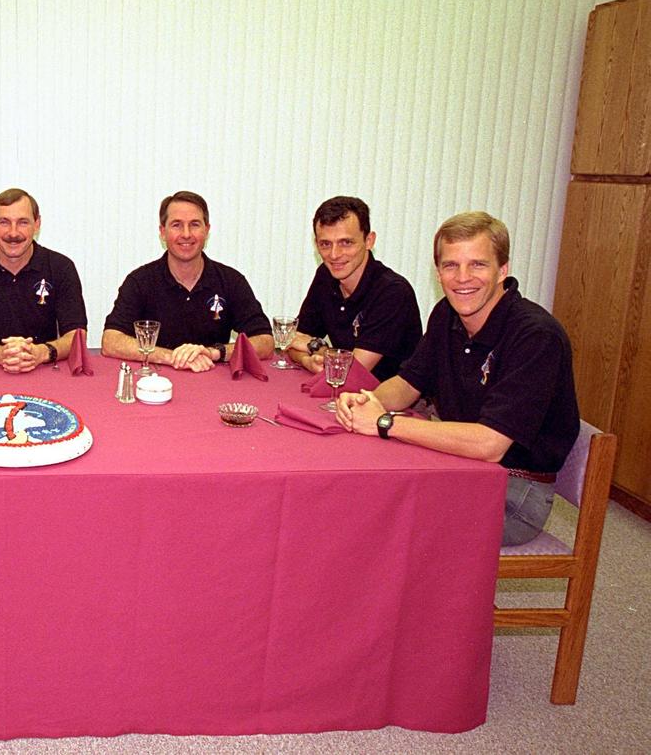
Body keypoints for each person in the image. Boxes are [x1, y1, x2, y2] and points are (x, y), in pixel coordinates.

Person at [335, 212, 580, 545]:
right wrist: (368, 399)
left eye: (477, 264)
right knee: (354, 492)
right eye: (451, 266)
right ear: (439, 273)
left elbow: (490, 445)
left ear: (502, 270)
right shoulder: (446, 313)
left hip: (515, 492)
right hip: (454, 465)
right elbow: (407, 384)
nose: (463, 278)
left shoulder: (536, 336)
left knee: (379, 519)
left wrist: (383, 423)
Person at [101, 191, 273, 371]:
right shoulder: (140, 281)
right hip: (155, 382)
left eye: (195, 225)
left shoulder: (231, 281)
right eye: (176, 225)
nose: (186, 234)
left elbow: (265, 342)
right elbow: (111, 341)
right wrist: (172, 356)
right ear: (162, 231)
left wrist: (213, 353)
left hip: (213, 380)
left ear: (206, 230)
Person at [0, 188, 87, 373]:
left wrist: (40, 353)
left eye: (23, 222)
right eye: (4, 222)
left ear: (37, 224)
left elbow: (77, 336)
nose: (13, 232)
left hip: (43, 372)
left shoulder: (61, 267)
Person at [287, 196, 422, 381]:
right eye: (325, 244)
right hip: (343, 393)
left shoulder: (393, 292)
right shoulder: (326, 276)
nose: (334, 255)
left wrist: (314, 346)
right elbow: (293, 341)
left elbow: (352, 371)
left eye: (346, 243)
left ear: (369, 240)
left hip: (391, 403)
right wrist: (307, 361)